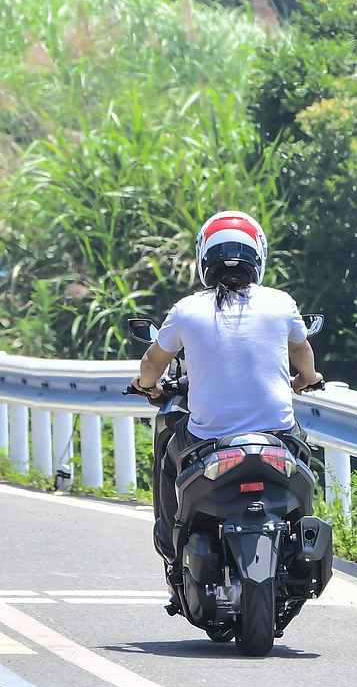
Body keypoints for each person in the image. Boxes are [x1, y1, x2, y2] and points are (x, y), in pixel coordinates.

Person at [129, 211, 323, 569]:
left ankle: (171, 539)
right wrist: (307, 379)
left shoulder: (186, 310)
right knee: (303, 456)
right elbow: (302, 353)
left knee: (169, 455)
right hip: (276, 435)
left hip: (208, 440)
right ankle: (302, 534)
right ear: (258, 257)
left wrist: (145, 386)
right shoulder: (282, 303)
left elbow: (150, 364)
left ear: (205, 260)